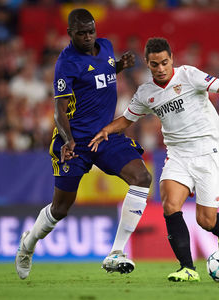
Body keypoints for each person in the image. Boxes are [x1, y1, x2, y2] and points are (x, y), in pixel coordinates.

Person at [89, 37, 219, 282]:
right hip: (177, 154)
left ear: (172, 59)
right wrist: (106, 130)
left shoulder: (189, 76)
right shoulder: (146, 93)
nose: (161, 68)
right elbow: (126, 120)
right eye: (155, 64)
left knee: (205, 220)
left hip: (208, 151)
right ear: (147, 64)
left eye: (164, 62)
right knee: (169, 205)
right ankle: (187, 268)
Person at [15, 8, 151, 280]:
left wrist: (119, 67)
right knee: (60, 209)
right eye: (81, 33)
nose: (88, 37)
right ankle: (27, 246)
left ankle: (116, 252)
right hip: (75, 140)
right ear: (70, 33)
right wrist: (68, 141)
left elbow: (100, 74)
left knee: (142, 177)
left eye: (91, 31)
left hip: (106, 135)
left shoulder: (106, 47)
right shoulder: (66, 63)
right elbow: (59, 110)